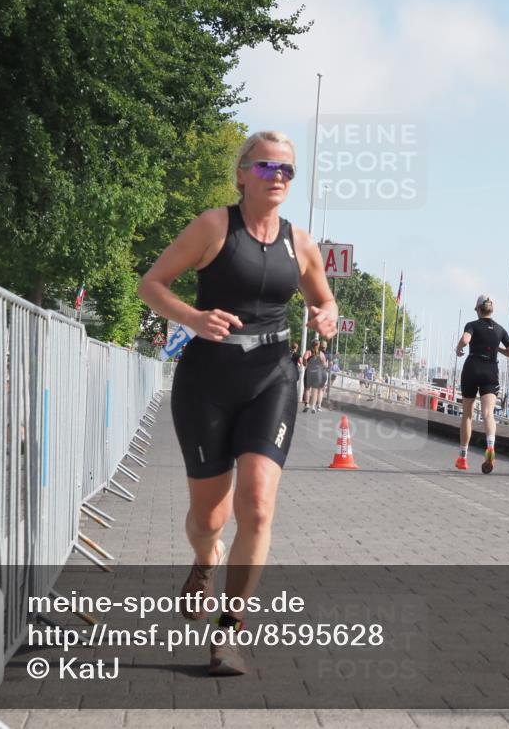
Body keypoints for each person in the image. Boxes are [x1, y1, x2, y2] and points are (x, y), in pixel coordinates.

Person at [137, 130, 337, 675]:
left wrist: (327, 315)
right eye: (267, 167)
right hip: (207, 380)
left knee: (257, 506)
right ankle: (206, 559)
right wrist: (193, 318)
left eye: (288, 170)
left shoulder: (303, 244)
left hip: (272, 376)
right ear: (242, 173)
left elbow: (324, 298)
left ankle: (230, 632)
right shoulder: (212, 226)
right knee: (210, 515)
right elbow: (151, 284)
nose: (278, 178)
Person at [454, 294, 509, 473]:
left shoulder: (472, 325)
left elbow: (466, 340)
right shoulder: (500, 329)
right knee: (488, 413)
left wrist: (459, 348)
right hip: (491, 370)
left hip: (472, 367)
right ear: (492, 310)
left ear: (478, 310)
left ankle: (463, 458)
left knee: (467, 414)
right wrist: (497, 347)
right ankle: (490, 446)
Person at [302, 339, 326, 413]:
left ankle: (307, 404)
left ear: (311, 344)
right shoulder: (321, 354)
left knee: (307, 389)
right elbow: (324, 365)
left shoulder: (308, 352)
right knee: (315, 390)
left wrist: (306, 365)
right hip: (317, 373)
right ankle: (313, 406)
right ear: (318, 345)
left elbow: (304, 359)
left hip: (309, 372)